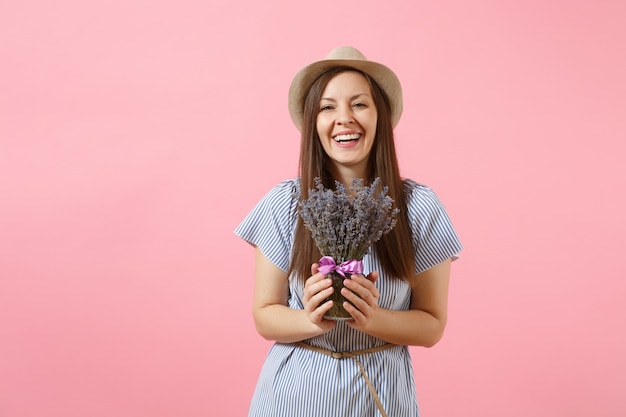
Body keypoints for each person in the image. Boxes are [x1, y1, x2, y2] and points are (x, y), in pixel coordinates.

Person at [234, 46, 462, 417]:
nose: (344, 119)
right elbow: (264, 314)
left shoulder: (420, 207)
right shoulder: (284, 203)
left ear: (381, 117)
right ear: (313, 123)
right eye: (328, 107)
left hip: (381, 394)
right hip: (294, 396)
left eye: (359, 104)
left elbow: (431, 324)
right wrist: (309, 317)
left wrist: (373, 318)